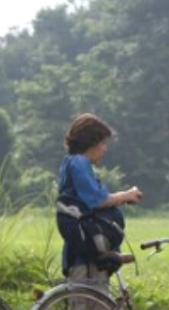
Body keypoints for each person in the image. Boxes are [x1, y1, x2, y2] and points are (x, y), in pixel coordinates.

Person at [55, 113, 143, 284]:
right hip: (86, 263)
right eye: (102, 143)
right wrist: (126, 195)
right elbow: (98, 200)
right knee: (91, 299)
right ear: (91, 142)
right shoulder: (79, 163)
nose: (105, 149)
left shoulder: (70, 162)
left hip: (81, 257)